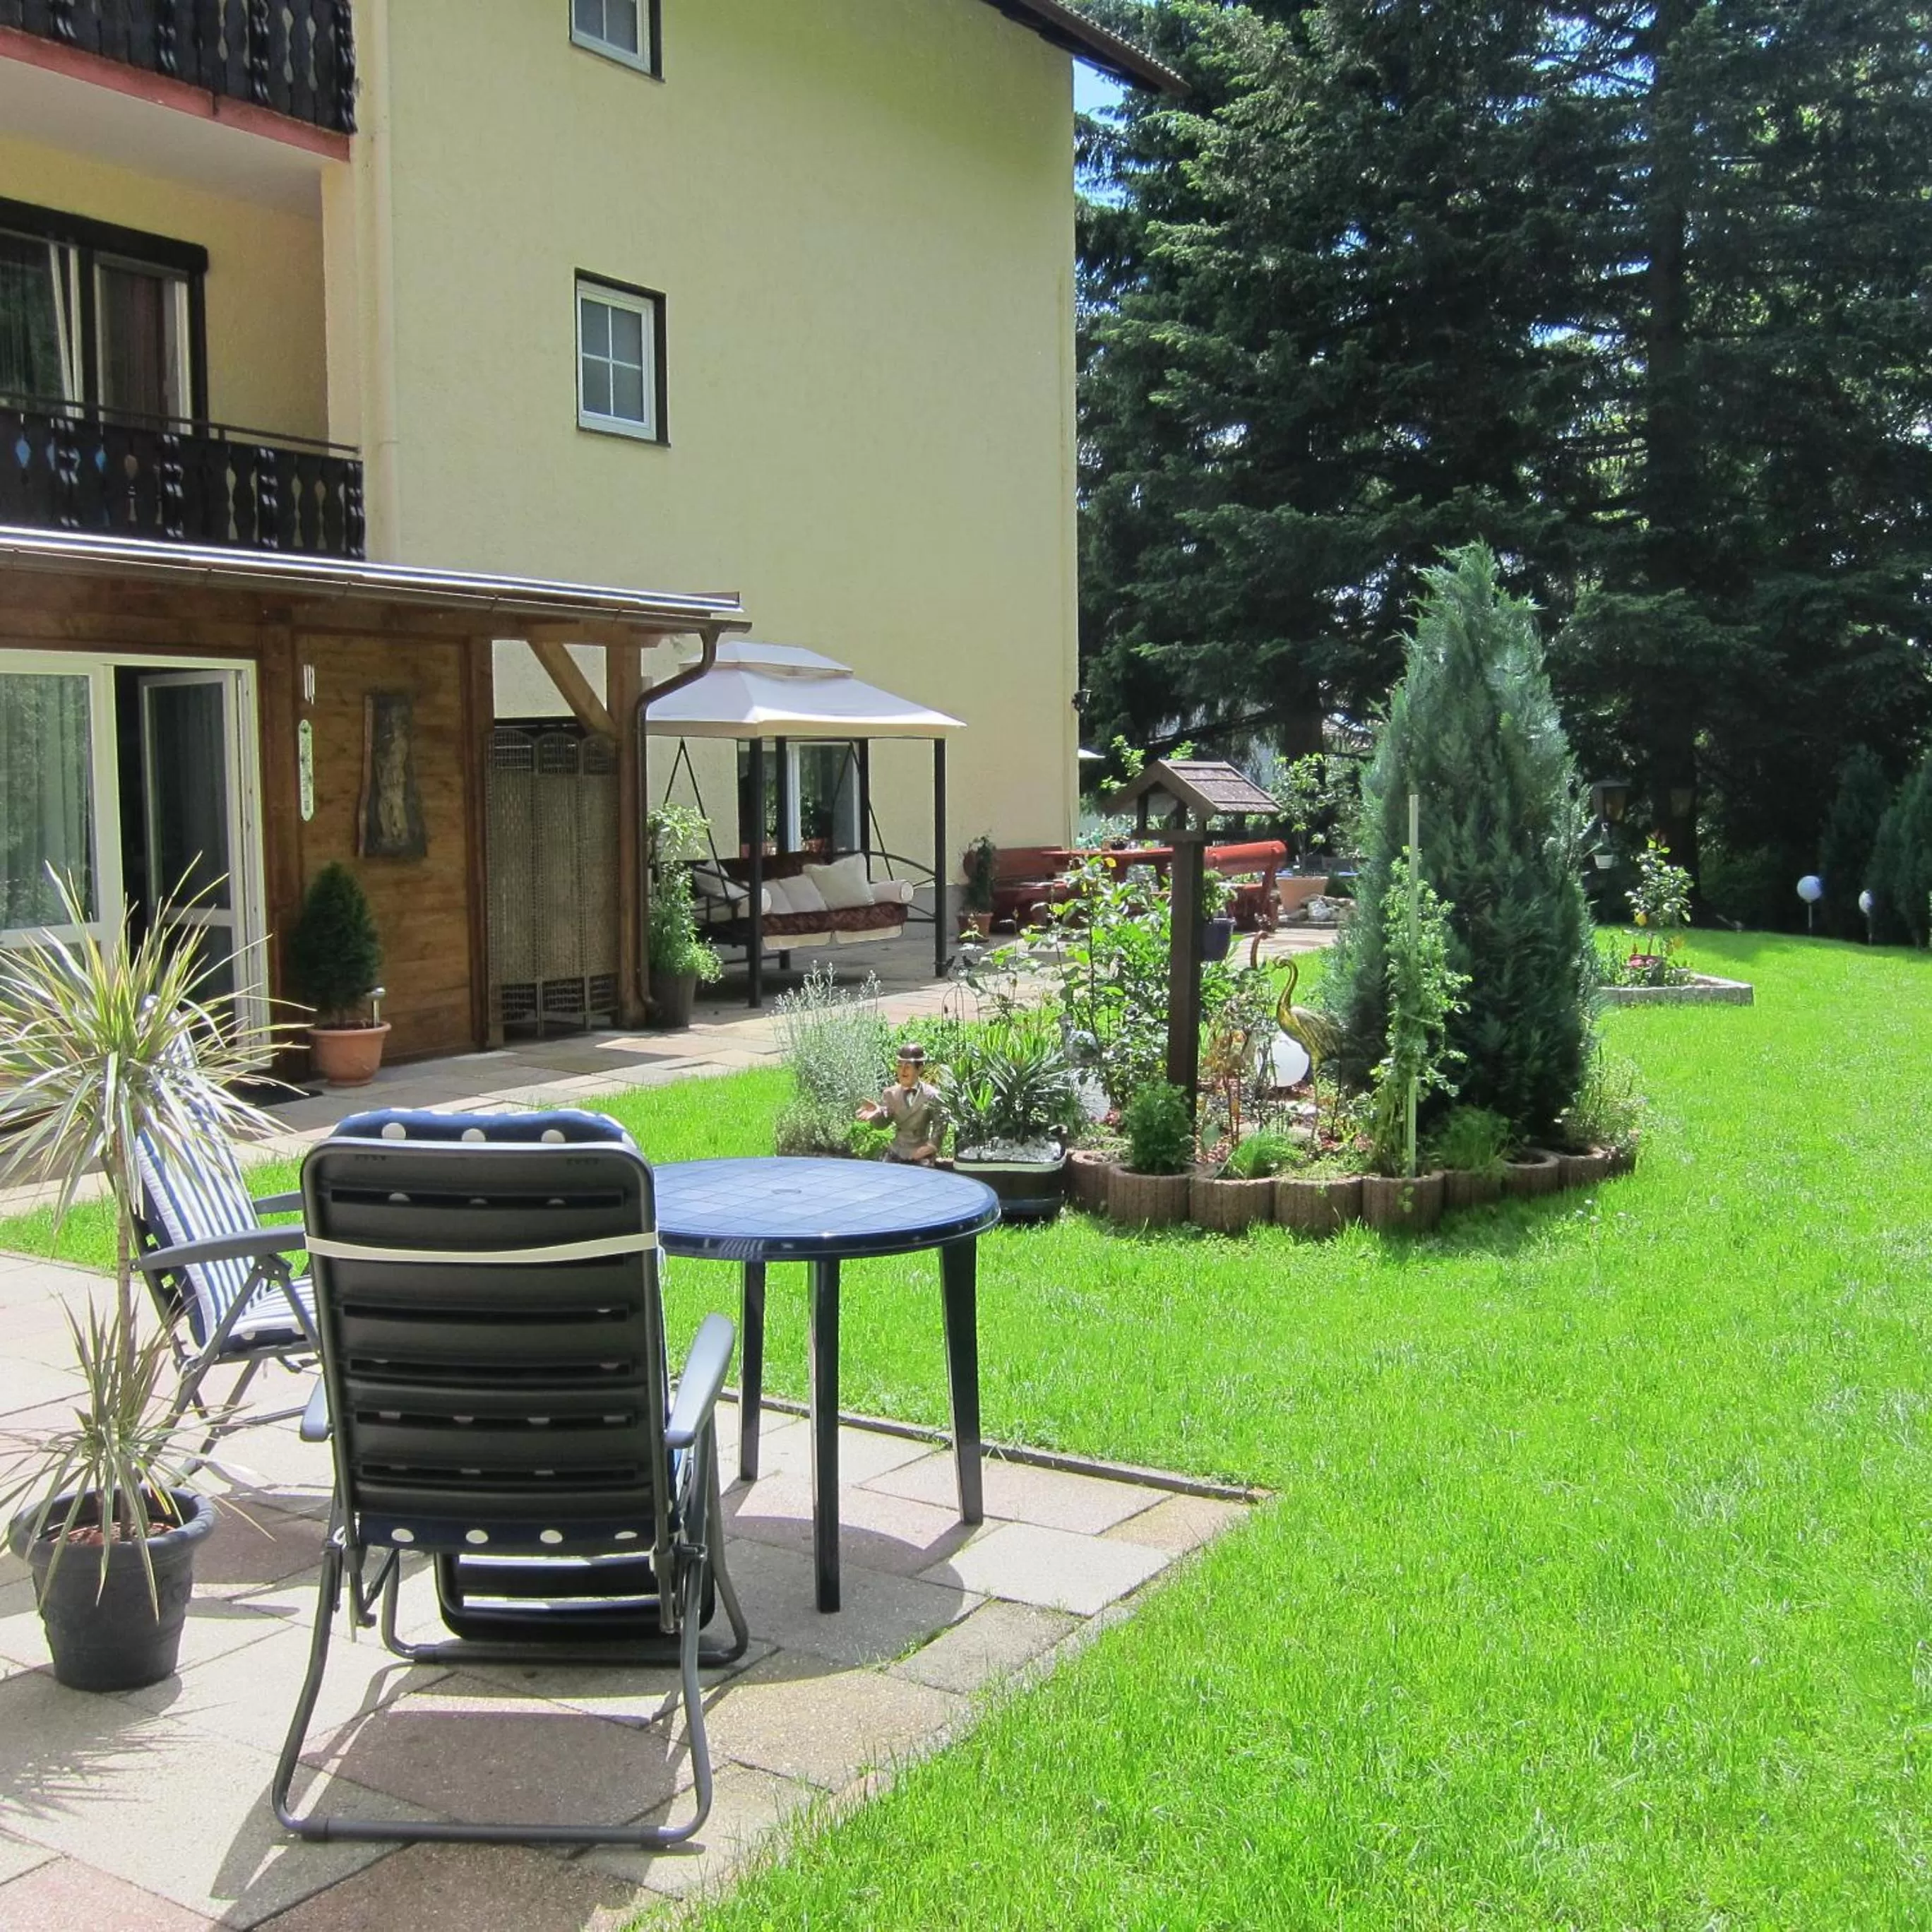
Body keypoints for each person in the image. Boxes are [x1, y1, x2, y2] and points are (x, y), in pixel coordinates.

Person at [859, 1043, 945, 1164]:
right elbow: (883, 1124)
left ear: (919, 1069)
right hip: (897, 1152)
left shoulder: (931, 1095)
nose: (903, 1071)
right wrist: (877, 1113)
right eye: (900, 1066)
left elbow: (940, 1123)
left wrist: (931, 1146)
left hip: (921, 1153)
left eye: (908, 1067)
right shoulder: (890, 1094)